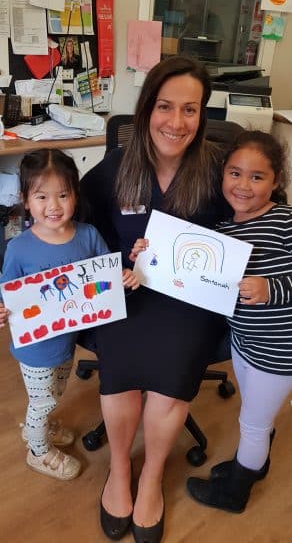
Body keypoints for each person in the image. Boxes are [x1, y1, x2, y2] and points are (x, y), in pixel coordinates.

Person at [80, 55, 228, 542]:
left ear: (203, 114)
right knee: (119, 357)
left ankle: (150, 477)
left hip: (188, 300)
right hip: (125, 289)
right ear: (146, 110)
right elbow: (76, 220)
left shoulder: (216, 170)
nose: (177, 121)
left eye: (191, 109)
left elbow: (258, 218)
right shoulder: (117, 167)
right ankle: (120, 470)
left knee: (177, 364)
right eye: (166, 106)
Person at [0, 148, 139, 482]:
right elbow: (7, 289)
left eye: (63, 195)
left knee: (56, 390)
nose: (54, 206)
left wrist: (125, 275)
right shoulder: (19, 248)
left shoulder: (88, 235)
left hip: (67, 340)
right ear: (25, 200)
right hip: (35, 348)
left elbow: (106, 273)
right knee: (42, 401)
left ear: (76, 195)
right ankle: (38, 450)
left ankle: (41, 426)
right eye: (42, 196)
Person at [187, 130, 292, 513]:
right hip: (244, 342)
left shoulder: (285, 221)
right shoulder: (223, 232)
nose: (243, 185)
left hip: (280, 349)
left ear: (276, 181)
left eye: (257, 177)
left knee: (252, 423)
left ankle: (234, 493)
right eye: (235, 173)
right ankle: (255, 462)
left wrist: (271, 289)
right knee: (253, 412)